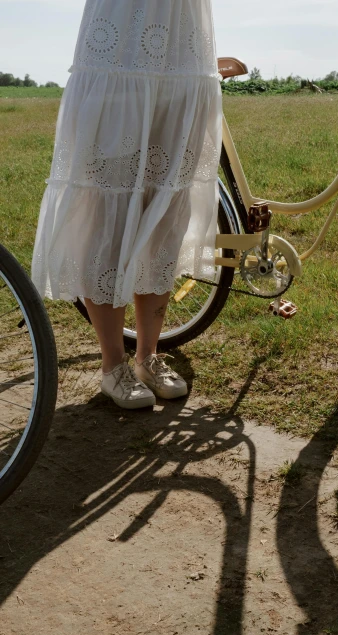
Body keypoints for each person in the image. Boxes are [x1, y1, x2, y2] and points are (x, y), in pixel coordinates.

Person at [32, 0, 222, 409]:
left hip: (184, 50)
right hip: (119, 48)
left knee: (168, 206)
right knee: (107, 204)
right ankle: (112, 364)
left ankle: (147, 356)